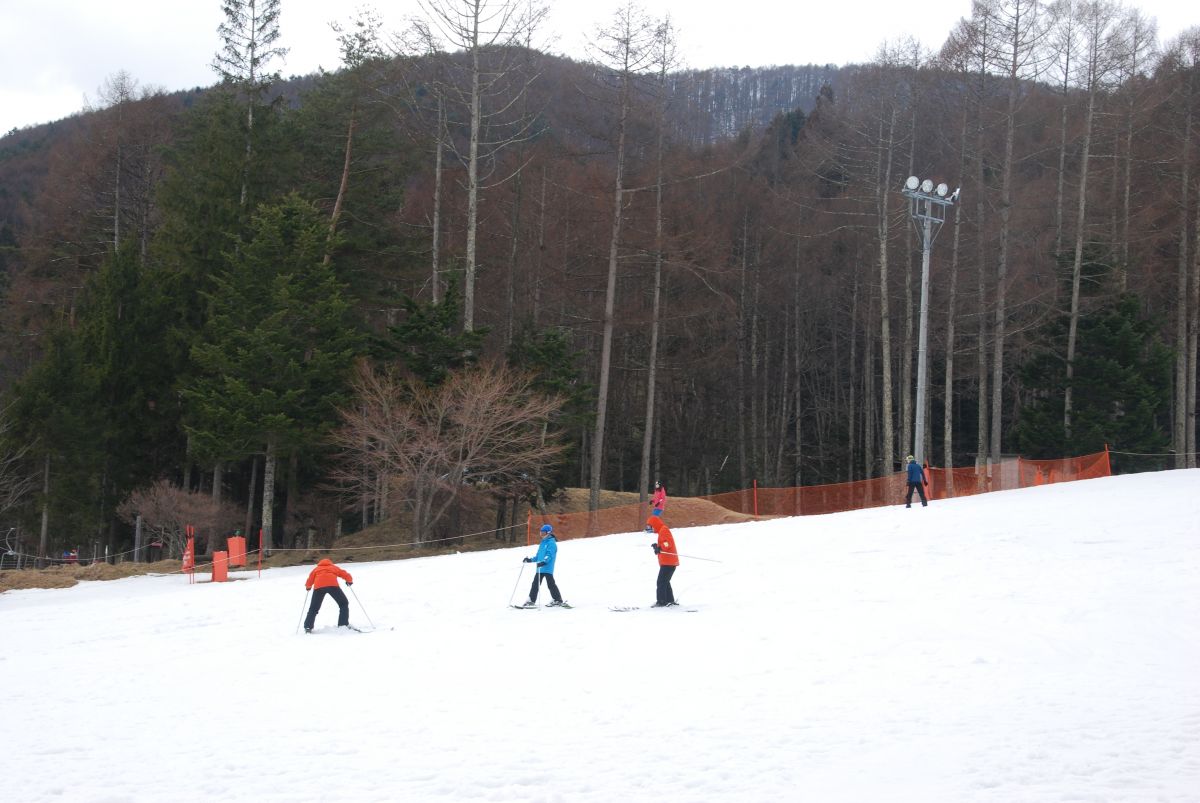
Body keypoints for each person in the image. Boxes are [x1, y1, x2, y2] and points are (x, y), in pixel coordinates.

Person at [303, 558, 354, 632]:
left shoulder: (316, 569)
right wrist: (349, 581)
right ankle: (343, 624)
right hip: (332, 586)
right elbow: (344, 574)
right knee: (343, 603)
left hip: (318, 587)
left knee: (313, 608)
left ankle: (308, 627)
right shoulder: (333, 567)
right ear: (330, 563)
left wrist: (308, 587)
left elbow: (310, 579)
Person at [522, 524, 566, 607]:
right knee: (535, 584)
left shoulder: (551, 543)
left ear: (548, 533)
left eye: (543, 533)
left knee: (550, 584)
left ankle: (557, 600)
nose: (541, 535)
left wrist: (544, 562)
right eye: (541, 533)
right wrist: (530, 560)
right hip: (540, 567)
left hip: (547, 568)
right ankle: (531, 600)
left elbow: (550, 555)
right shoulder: (542, 543)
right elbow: (538, 556)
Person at [646, 515, 679, 607]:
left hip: (668, 562)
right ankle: (669, 600)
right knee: (665, 582)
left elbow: (668, 543)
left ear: (654, 524)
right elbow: (665, 543)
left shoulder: (664, 530)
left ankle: (661, 601)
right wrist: (657, 547)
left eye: (650, 526)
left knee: (661, 582)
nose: (650, 529)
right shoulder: (662, 531)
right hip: (668, 562)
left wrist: (659, 547)